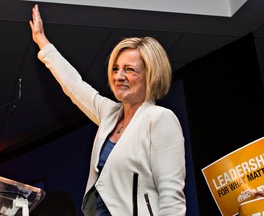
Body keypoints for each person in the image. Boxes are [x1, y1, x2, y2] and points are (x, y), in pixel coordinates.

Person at [30, 4, 186, 216]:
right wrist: (42, 42)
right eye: (115, 68)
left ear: (151, 75)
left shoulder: (159, 119)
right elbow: (74, 85)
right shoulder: (110, 115)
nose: (119, 76)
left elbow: (171, 195)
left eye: (129, 69)